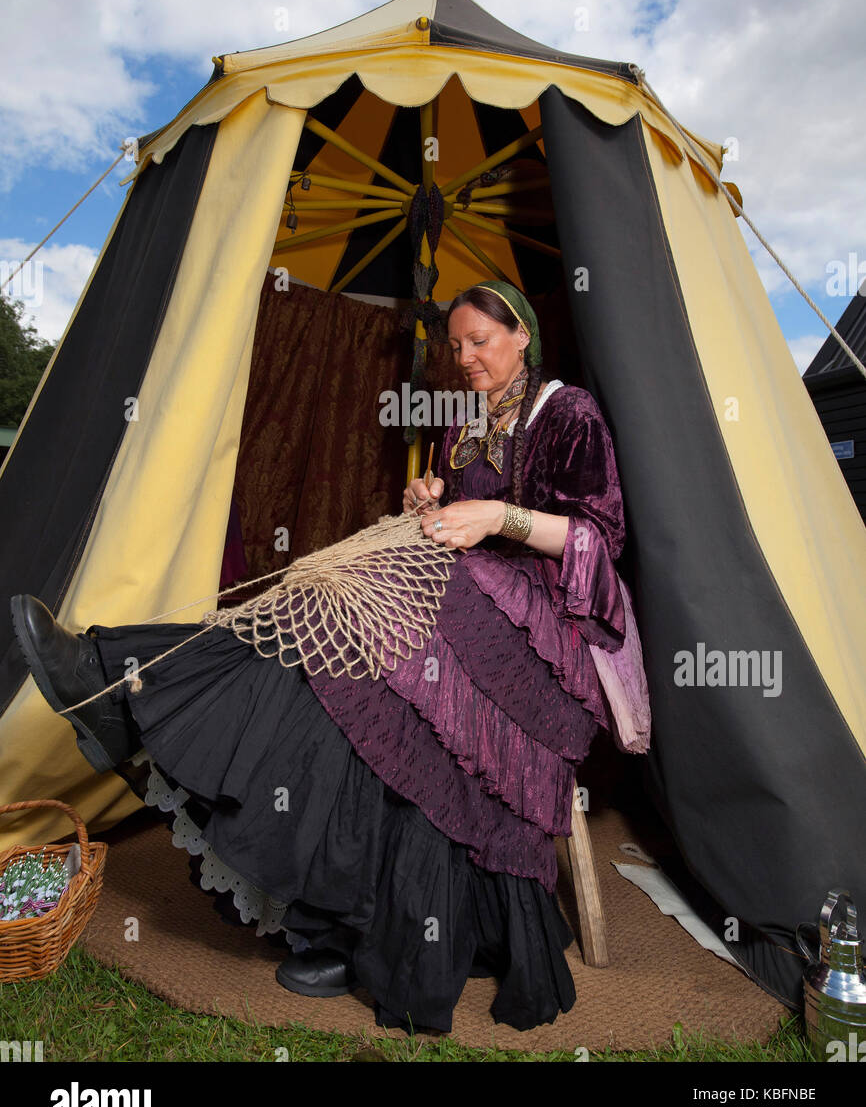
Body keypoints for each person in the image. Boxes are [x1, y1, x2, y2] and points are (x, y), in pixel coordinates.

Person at [10, 280, 645, 1035]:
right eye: (456, 346)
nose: (465, 358)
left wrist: (494, 515)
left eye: (480, 342)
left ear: (522, 336)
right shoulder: (467, 422)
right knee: (337, 647)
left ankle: (125, 682)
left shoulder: (568, 415)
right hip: (472, 608)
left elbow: (598, 544)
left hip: (550, 648)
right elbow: (455, 515)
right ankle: (132, 686)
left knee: (379, 604)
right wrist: (433, 496)